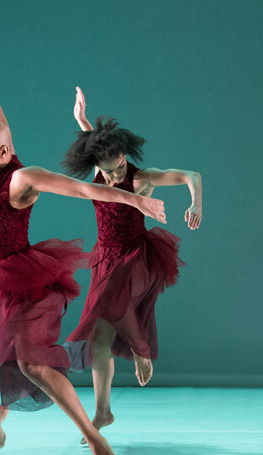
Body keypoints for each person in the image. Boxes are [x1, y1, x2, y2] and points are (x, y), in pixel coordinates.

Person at [0, 56, 166, 455]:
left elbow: (83, 190)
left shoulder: (22, 178)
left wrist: (134, 202)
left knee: (33, 365)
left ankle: (94, 437)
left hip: (22, 284)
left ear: (4, 151)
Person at [63, 87, 201, 442]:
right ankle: (103, 412)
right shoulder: (100, 166)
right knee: (99, 338)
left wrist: (195, 203)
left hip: (135, 257)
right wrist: (81, 116)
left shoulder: (141, 178)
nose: (111, 177)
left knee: (111, 305)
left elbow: (191, 176)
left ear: (125, 157)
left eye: (117, 168)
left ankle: (141, 349)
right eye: (106, 171)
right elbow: (93, 141)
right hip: (104, 256)